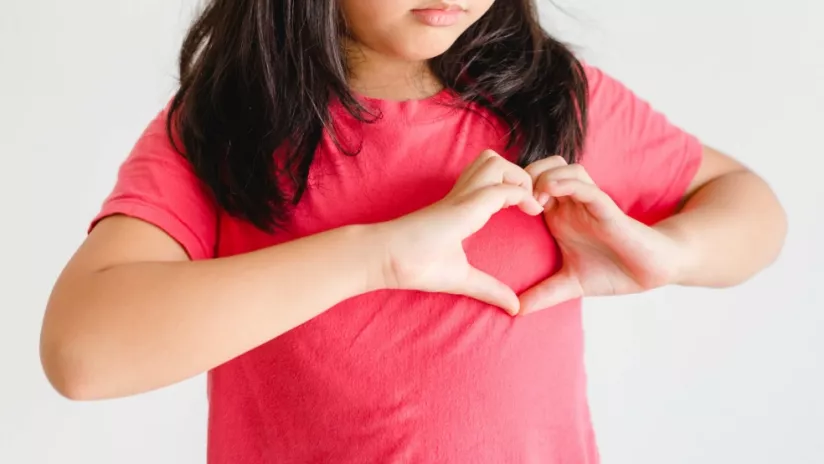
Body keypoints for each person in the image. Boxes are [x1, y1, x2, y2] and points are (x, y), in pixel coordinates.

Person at [39, 0, 787, 462]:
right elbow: (83, 355)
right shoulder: (223, 126)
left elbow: (749, 203)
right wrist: (376, 256)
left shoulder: (554, 100)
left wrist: (670, 254)